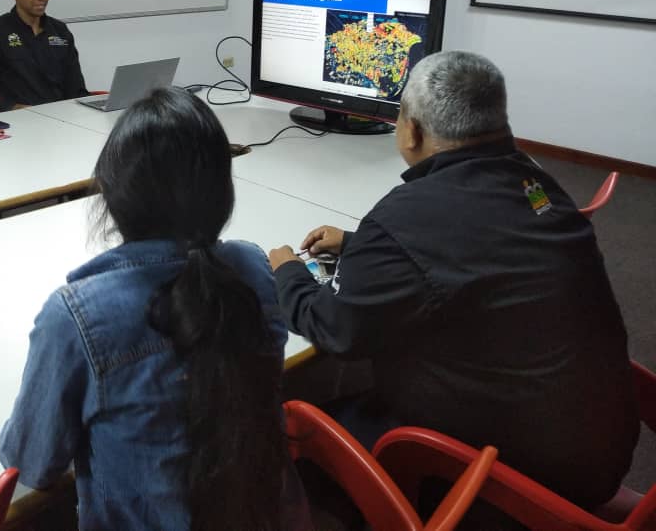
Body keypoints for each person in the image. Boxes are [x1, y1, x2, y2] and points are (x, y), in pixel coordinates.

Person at [268, 50, 638, 509]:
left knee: (294, 423)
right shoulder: (536, 185)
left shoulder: (406, 217)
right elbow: (475, 239)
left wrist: (285, 269)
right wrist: (362, 243)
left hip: (512, 473)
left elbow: (334, 328)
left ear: (413, 129)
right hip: (604, 441)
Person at [0, 87, 309, 531]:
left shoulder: (79, 315)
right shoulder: (254, 268)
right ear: (222, 191)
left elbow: (31, 463)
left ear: (114, 197)